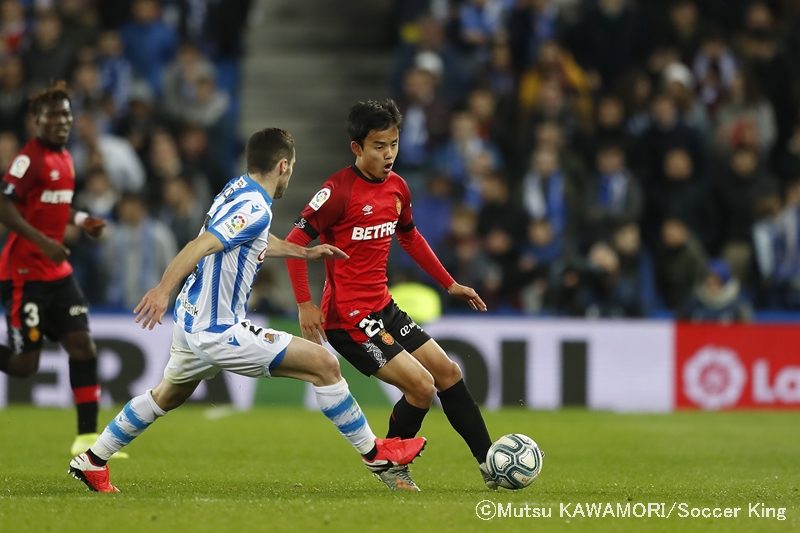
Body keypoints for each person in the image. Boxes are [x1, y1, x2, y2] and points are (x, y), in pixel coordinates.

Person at [67, 128, 426, 493]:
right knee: (325, 365)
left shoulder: (239, 188)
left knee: (166, 396)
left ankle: (93, 459)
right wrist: (162, 290)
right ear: (283, 165)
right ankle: (374, 454)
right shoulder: (255, 207)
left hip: (191, 318)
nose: (292, 175)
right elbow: (201, 244)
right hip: (218, 328)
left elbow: (253, 238)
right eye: (293, 167)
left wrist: (303, 251)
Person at [285, 100, 495, 491]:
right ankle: (391, 467)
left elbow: (410, 236)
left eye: (394, 144)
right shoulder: (336, 192)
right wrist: (304, 302)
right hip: (348, 318)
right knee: (421, 386)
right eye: (379, 146)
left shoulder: (398, 187)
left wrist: (448, 282)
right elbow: (295, 242)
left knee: (448, 373)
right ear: (356, 148)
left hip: (383, 306)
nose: (389, 155)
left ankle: (490, 464)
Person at [0, 81, 115, 459]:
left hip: (57, 272)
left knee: (82, 346)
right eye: (53, 115)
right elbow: (5, 206)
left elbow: (54, 206)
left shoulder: (65, 158)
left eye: (66, 114)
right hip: (23, 274)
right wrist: (44, 242)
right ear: (36, 120)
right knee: (24, 365)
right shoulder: (28, 159)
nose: (61, 121)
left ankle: (87, 439)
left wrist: (82, 219)